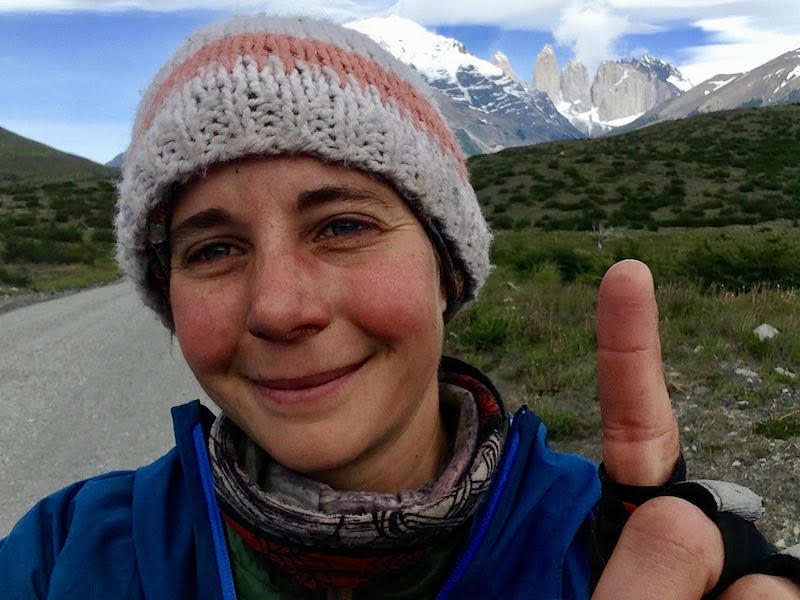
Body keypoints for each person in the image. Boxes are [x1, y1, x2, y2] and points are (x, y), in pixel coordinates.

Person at [1, 14, 798, 599]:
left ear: (448, 268)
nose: (279, 307)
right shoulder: (60, 557)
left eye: (342, 226)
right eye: (212, 249)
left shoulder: (605, 549)